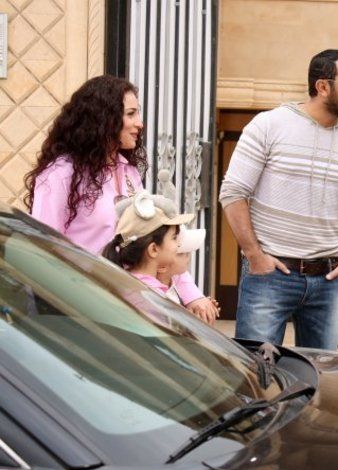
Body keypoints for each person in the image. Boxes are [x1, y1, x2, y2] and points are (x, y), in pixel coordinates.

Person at [23, 75, 218, 324]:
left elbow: (155, 238)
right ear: (103, 117)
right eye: (131, 114)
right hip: (75, 308)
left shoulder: (129, 172)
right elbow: (42, 248)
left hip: (123, 308)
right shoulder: (60, 174)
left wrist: (191, 295)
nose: (140, 123)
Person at [219, 49, 338, 349]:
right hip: (270, 275)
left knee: (320, 371)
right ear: (322, 86)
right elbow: (233, 192)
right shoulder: (268, 125)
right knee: (257, 368)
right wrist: (254, 255)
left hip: (330, 280)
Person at [102, 191, 193, 296]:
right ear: (153, 249)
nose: (178, 244)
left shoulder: (130, 283)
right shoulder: (150, 294)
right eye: (174, 238)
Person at [158, 227, 207, 305]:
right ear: (161, 266)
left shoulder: (173, 283)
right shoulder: (155, 293)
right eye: (181, 253)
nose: (188, 255)